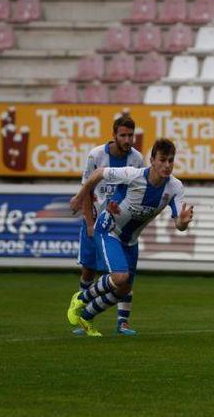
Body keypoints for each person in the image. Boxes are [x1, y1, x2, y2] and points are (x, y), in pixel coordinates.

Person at [67, 138, 194, 337]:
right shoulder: (133, 175)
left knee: (123, 289)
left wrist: (184, 222)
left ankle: (86, 316)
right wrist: (80, 195)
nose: (167, 165)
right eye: (162, 160)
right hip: (108, 230)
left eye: (171, 160)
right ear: (152, 160)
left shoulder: (175, 187)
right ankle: (81, 298)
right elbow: (99, 173)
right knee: (120, 277)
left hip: (130, 240)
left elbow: (178, 224)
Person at [73, 115, 145, 336]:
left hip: (121, 225)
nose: (127, 139)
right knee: (89, 270)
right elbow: (86, 189)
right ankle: (82, 319)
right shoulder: (96, 155)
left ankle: (122, 323)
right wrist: (90, 222)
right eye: (123, 135)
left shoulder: (137, 159)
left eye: (130, 135)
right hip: (95, 221)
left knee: (125, 273)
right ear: (113, 135)